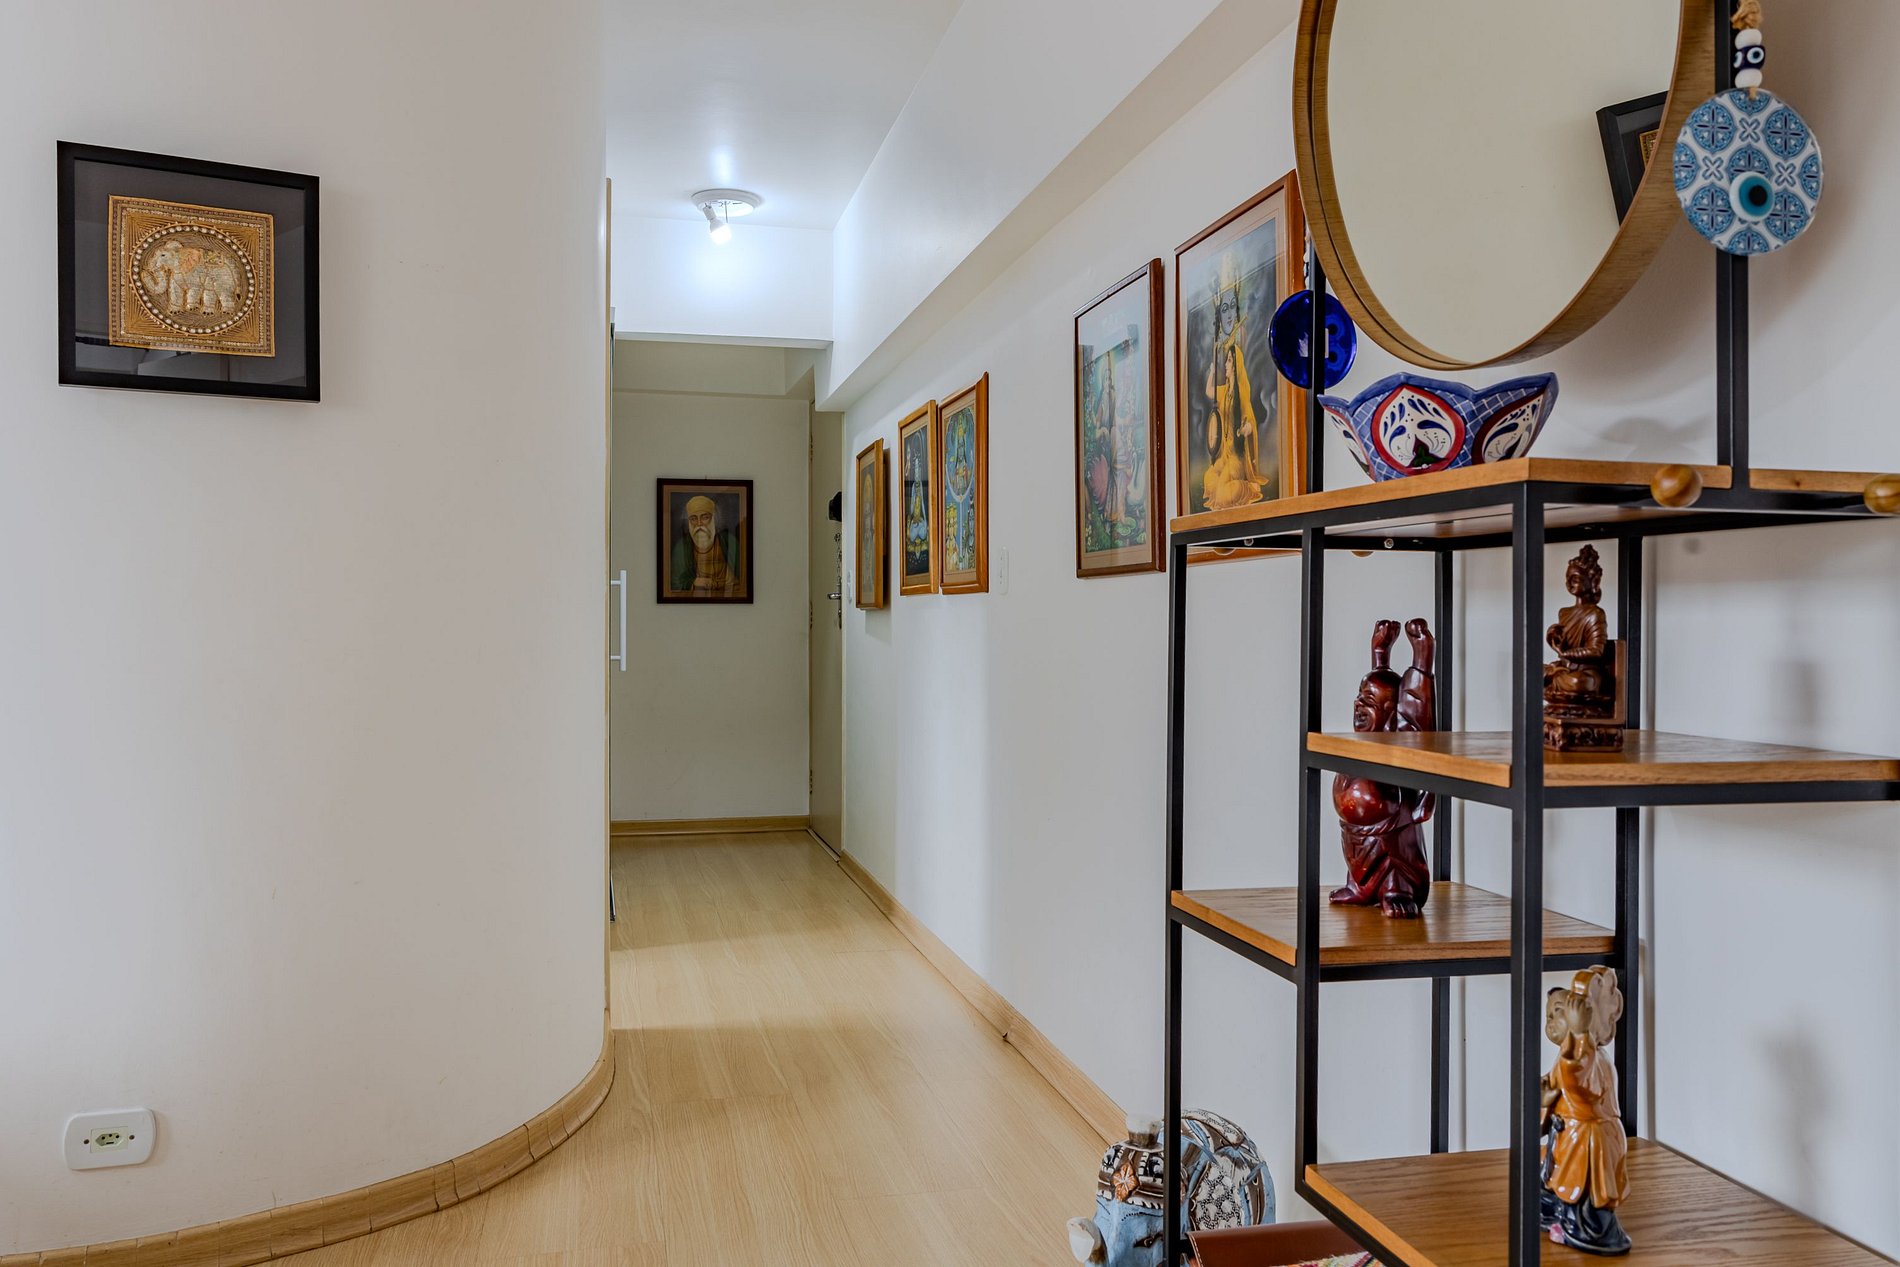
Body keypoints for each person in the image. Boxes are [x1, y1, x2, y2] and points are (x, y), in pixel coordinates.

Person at [1200, 253, 1269, 511]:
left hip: (1237, 456)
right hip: (1224, 453)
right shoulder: (1225, 391)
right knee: (1209, 479)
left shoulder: (1240, 392)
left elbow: (1249, 420)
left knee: (1223, 493)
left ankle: (1248, 487)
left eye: (1229, 362)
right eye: (1224, 309)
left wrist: (1247, 429)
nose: (1226, 366)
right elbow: (1209, 391)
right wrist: (1211, 370)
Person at [671, 494, 742, 598]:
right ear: (688, 522)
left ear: (715, 519)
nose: (699, 524)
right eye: (693, 519)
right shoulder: (681, 548)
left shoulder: (729, 542)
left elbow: (743, 581)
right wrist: (694, 582)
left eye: (705, 517)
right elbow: (674, 584)